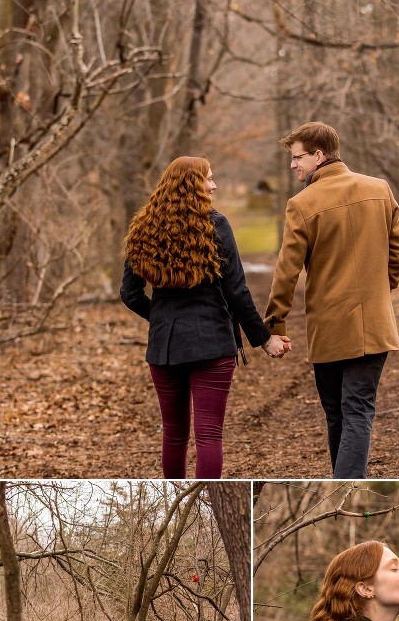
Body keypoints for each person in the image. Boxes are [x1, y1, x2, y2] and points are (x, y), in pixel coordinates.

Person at [121, 156, 289, 480]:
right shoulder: (215, 224)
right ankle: (202, 498)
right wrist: (264, 339)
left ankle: (178, 501)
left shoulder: (143, 227)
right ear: (190, 185)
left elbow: (130, 294)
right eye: (208, 179)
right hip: (211, 344)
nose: (214, 185)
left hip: (164, 347)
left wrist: (160, 320)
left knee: (173, 434)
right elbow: (237, 291)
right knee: (209, 434)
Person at [264, 122, 399, 479]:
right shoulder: (380, 189)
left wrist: (276, 324)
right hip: (375, 323)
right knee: (355, 410)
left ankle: (344, 486)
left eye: (298, 158)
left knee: (340, 412)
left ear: (319, 155)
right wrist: (381, 288)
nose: (293, 165)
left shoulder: (302, 205)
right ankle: (345, 485)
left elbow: (287, 271)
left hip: (329, 328)